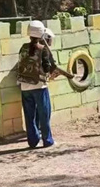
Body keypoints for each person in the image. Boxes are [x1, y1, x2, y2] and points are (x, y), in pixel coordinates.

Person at [15, 21, 73, 149]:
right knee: (44, 115)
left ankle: (33, 141)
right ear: (41, 34)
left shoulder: (23, 47)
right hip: (39, 87)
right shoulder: (43, 49)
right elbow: (47, 68)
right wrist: (52, 72)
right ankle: (47, 140)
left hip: (24, 86)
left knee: (29, 116)